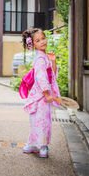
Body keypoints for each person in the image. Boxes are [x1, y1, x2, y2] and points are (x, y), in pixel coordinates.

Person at [22, 28, 61, 158]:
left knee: (39, 120)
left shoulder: (44, 57)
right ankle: (41, 146)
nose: (42, 42)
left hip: (43, 95)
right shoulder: (39, 59)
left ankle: (34, 145)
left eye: (43, 38)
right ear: (33, 44)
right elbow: (41, 77)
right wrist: (47, 94)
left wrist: (53, 61)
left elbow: (53, 75)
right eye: (38, 41)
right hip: (42, 95)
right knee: (41, 121)